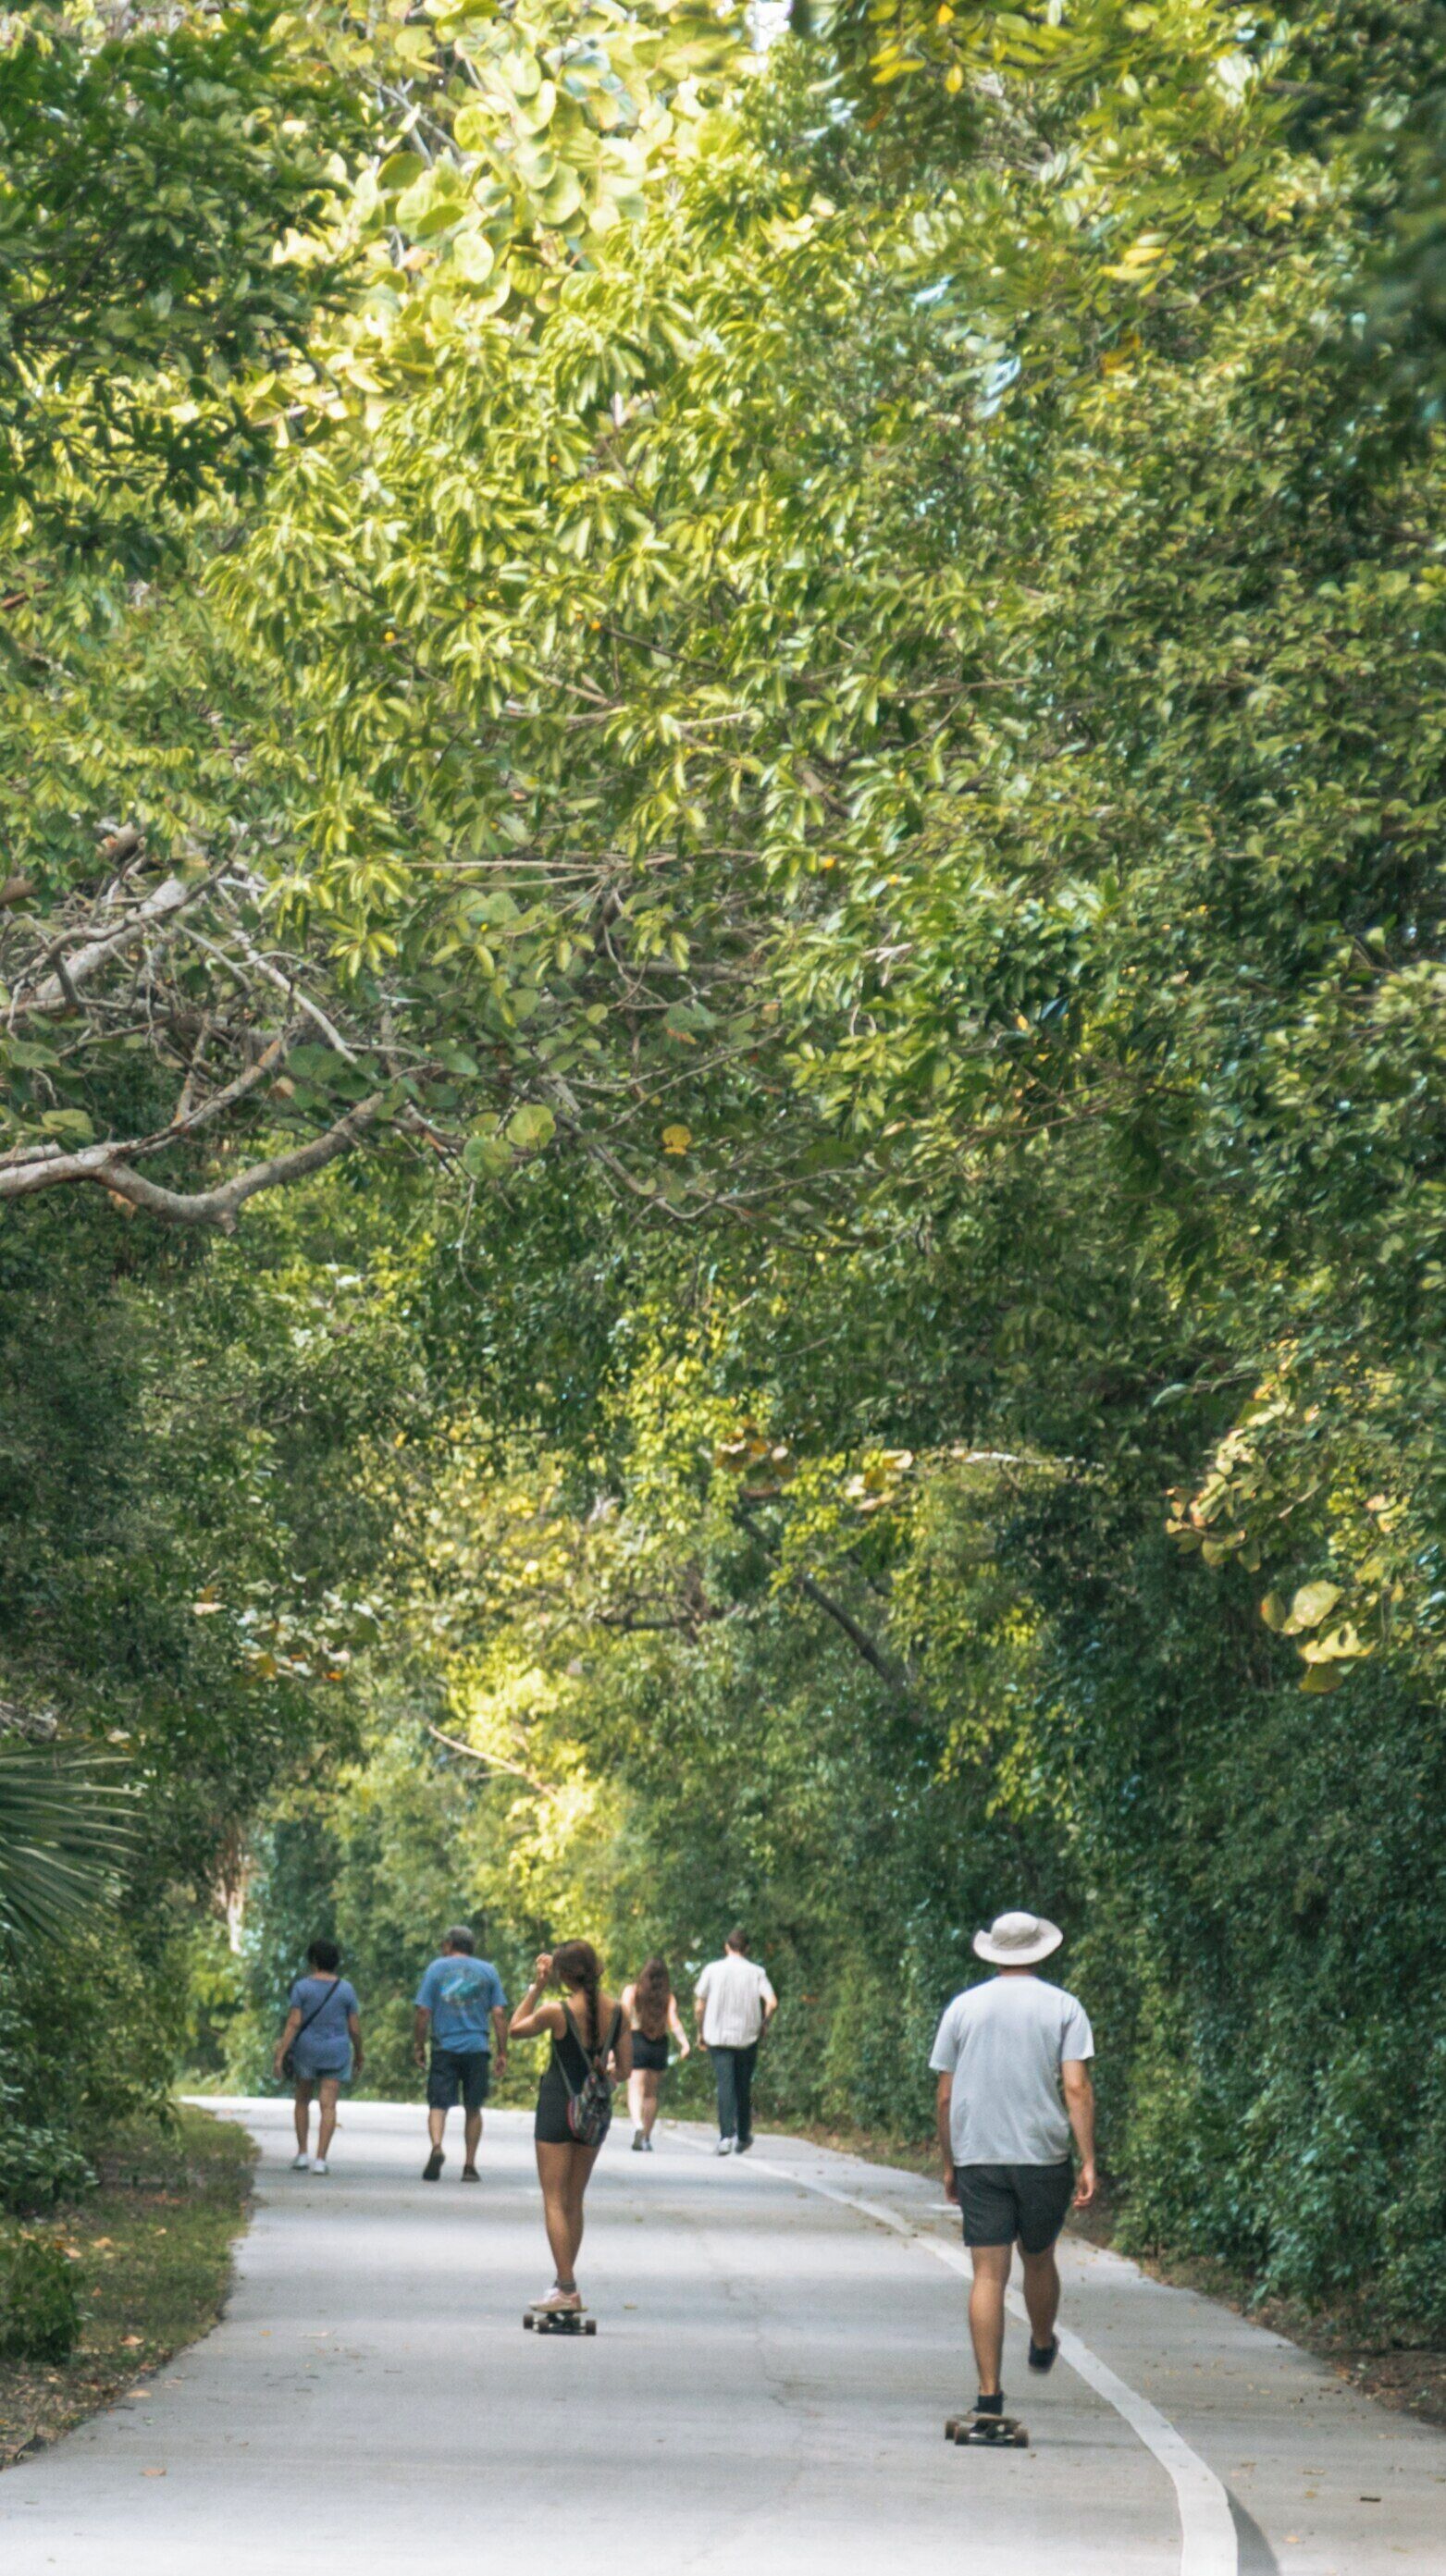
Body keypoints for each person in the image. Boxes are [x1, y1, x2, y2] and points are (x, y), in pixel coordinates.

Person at [929, 1908, 1096, 2423]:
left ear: (994, 1953)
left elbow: (944, 2095)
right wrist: (1089, 2159)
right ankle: (1042, 2340)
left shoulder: (963, 2008)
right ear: (1040, 1950)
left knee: (988, 2274)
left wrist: (950, 2162)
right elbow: (1076, 2087)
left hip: (979, 2153)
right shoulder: (1064, 2006)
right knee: (1038, 2257)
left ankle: (989, 2396)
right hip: (1042, 2156)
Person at [509, 1941, 631, 2315]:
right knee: (574, 2199)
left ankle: (566, 2288)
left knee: (553, 2199)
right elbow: (625, 2070)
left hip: (557, 2107)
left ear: (563, 1975)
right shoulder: (619, 2012)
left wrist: (536, 1986)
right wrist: (602, 2077)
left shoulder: (556, 2011)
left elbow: (515, 2029)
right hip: (592, 2112)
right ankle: (564, 2283)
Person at [413, 1925, 509, 2182]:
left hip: (444, 2047)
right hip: (477, 2047)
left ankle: (437, 2146)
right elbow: (498, 2013)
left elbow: (423, 2012)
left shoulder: (436, 1969)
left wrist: (419, 2045)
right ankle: (469, 2165)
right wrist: (502, 2051)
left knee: (438, 2104)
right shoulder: (488, 1971)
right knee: (473, 2107)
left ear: (448, 1945)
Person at [273, 1939, 363, 2176]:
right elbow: (354, 2028)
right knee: (329, 2105)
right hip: (336, 2052)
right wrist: (359, 2053)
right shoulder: (346, 1989)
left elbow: (294, 2023)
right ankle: (321, 2160)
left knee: (302, 2100)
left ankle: (302, 2153)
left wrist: (281, 2054)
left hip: (307, 2051)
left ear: (313, 1961)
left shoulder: (302, 1988)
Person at [694, 1926, 776, 2157]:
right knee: (743, 2085)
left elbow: (699, 2005)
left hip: (717, 2036)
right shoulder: (757, 1972)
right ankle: (743, 2135)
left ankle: (725, 2137)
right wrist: (765, 2023)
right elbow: (772, 2002)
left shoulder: (712, 1969)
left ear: (726, 1947)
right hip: (747, 2037)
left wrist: (700, 2031)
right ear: (747, 1948)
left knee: (725, 2085)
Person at [621, 1956, 690, 2151]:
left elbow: (623, 2018)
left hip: (637, 2041)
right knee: (651, 2094)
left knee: (635, 2088)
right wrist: (684, 2043)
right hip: (659, 2045)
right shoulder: (668, 1998)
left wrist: (614, 2046)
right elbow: (673, 2022)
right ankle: (646, 2137)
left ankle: (638, 2126)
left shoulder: (632, 1991)